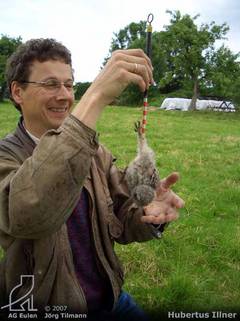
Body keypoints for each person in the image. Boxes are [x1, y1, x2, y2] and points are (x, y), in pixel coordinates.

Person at [0, 38, 184, 320]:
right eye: (50, 84)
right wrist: (95, 95)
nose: (65, 96)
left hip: (112, 299)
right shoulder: (5, 158)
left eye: (70, 85)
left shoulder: (95, 153)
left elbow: (122, 218)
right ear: (17, 92)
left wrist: (147, 214)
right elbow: (28, 214)